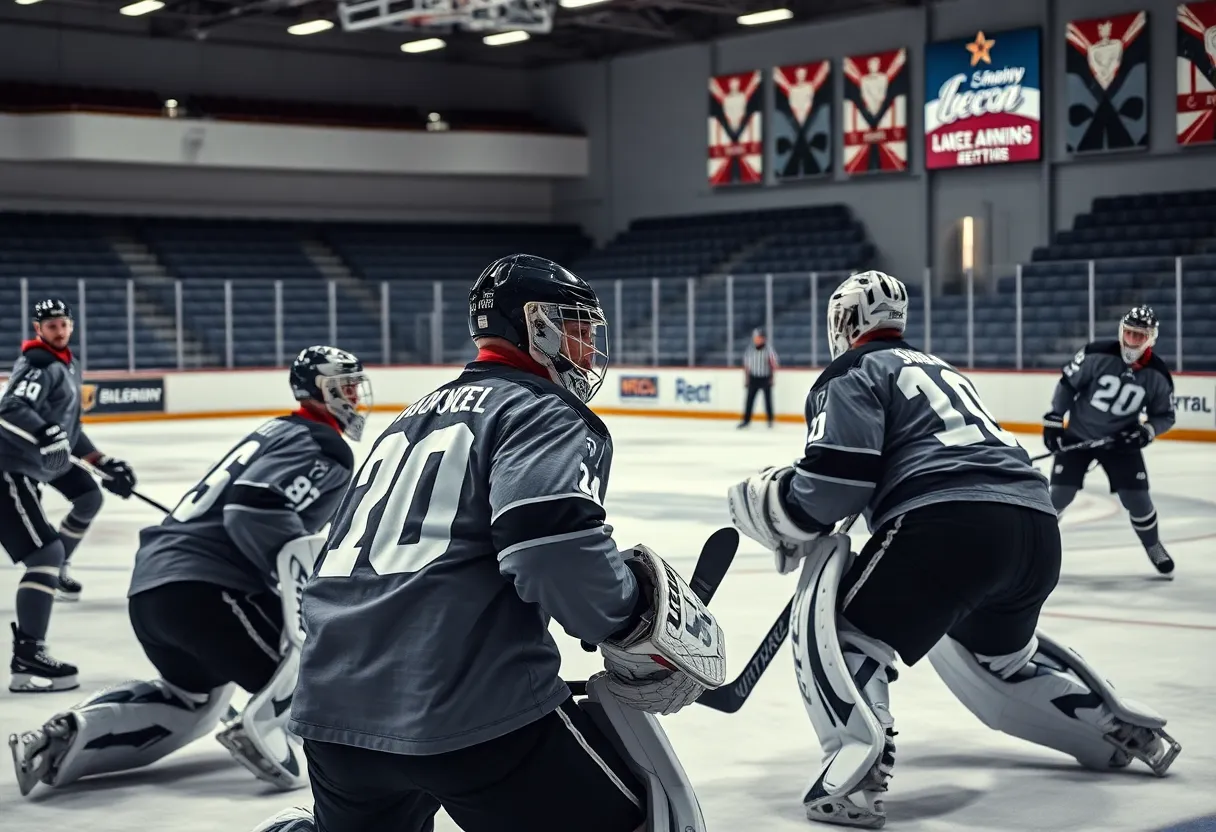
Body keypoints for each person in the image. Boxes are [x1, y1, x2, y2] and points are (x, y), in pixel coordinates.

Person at [248, 254, 725, 832]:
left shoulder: (407, 419)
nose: (587, 343)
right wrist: (627, 622)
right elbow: (551, 554)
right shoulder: (540, 410)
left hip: (332, 714)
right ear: (537, 325)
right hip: (468, 711)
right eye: (577, 326)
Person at [726, 271, 1180, 828]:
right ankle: (1113, 726)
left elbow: (836, 485)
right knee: (1002, 658)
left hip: (948, 525)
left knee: (843, 630)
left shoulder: (851, 369)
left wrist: (777, 505)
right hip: (1036, 533)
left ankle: (855, 774)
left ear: (842, 323)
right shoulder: (944, 369)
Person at [8, 346, 369, 796]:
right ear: (315, 391)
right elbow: (254, 508)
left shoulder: (279, 429)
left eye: (355, 385)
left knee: (192, 701)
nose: (353, 396)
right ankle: (260, 731)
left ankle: (64, 737)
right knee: (326, 675)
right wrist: (301, 589)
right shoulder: (324, 445)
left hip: (152, 589)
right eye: (342, 386)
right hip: (208, 591)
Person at [0, 299, 137, 692]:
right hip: (11, 464)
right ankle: (28, 657)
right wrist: (45, 434)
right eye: (51, 325)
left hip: (43, 461)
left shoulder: (65, 364)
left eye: (63, 324)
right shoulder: (39, 364)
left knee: (89, 495)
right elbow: (10, 408)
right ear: (37, 328)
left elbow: (68, 430)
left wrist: (101, 460)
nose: (59, 331)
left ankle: (56, 574)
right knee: (44, 554)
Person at [1042, 305, 1176, 576]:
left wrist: (1145, 432)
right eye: (1129, 333)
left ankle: (1153, 545)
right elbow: (1068, 385)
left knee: (1138, 500)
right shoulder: (1096, 354)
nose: (1132, 340)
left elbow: (1165, 415)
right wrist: (1055, 418)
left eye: (1139, 336)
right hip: (1078, 436)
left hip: (1120, 444)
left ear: (1150, 338)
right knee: (1058, 496)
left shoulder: (1158, 375)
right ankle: (1037, 546)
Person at [738, 328, 778, 428]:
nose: (756, 339)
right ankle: (746, 420)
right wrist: (747, 378)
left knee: (768, 400)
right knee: (749, 400)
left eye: (758, 338)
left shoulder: (768, 349)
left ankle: (770, 420)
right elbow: (747, 364)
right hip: (753, 377)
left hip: (765, 377)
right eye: (755, 338)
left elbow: (773, 363)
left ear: (763, 339)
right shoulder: (750, 349)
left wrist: (772, 377)